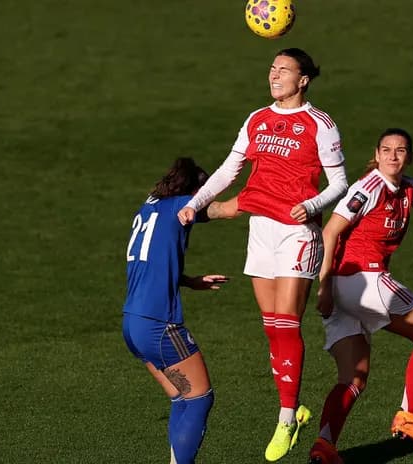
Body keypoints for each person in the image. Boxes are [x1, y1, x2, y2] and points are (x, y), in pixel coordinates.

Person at [177, 47, 349, 461]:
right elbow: (229, 168)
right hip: (260, 230)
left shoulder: (319, 124)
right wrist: (196, 203)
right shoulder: (257, 119)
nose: (274, 75)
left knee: (288, 320)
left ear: (303, 79)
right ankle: (294, 407)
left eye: (284, 70)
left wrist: (310, 207)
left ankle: (286, 417)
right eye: (272, 68)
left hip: (297, 232)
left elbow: (340, 182)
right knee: (271, 325)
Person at [307, 128, 413, 463]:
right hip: (362, 280)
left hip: (345, 290)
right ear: (377, 154)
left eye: (400, 151)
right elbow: (330, 231)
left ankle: (324, 445)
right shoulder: (368, 188)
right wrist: (323, 286)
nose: (393, 156)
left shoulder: (410, 187)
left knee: (354, 376)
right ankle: (408, 415)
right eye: (387, 150)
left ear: (408, 156)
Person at [122, 157, 235, 464]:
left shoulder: (150, 208)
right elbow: (228, 208)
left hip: (133, 323)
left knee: (181, 399)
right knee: (200, 399)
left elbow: (150, 262)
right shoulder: (182, 205)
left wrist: (188, 281)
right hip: (159, 324)